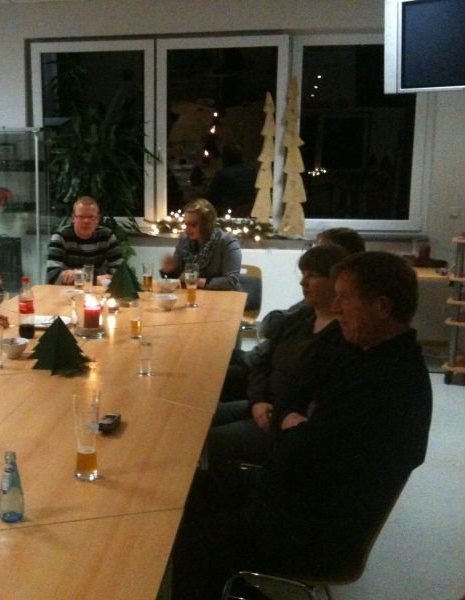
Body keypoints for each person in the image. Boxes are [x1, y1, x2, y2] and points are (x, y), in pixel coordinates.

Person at [172, 251, 432, 598]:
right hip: (292, 496)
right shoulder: (360, 349)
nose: (336, 307)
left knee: (188, 535)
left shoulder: (391, 384)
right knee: (188, 486)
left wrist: (290, 426)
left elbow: (297, 452)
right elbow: (291, 397)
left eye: (345, 298)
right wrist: (290, 421)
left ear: (382, 307)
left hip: (314, 529)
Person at [207, 244, 349, 466]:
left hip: (283, 424)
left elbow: (310, 391)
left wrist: (272, 410)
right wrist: (257, 400)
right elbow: (263, 363)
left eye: (312, 276)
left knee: (205, 441)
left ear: (336, 282)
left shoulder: (343, 334)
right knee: (196, 419)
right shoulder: (301, 317)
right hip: (263, 404)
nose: (303, 282)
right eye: (303, 275)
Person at [161, 197, 242, 290]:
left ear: (207, 224)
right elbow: (179, 278)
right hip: (194, 295)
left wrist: (193, 280)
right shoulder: (184, 241)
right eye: (186, 224)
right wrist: (170, 271)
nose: (187, 230)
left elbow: (230, 282)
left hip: (227, 296)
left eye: (193, 225)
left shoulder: (227, 242)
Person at [46, 196, 124, 285]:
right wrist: (95, 279)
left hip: (96, 291)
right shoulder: (60, 237)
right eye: (81, 216)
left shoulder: (107, 236)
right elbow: (52, 275)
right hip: (67, 291)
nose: (86, 221)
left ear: (98, 219)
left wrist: (76, 275)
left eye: (91, 217)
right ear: (73, 218)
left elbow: (121, 272)